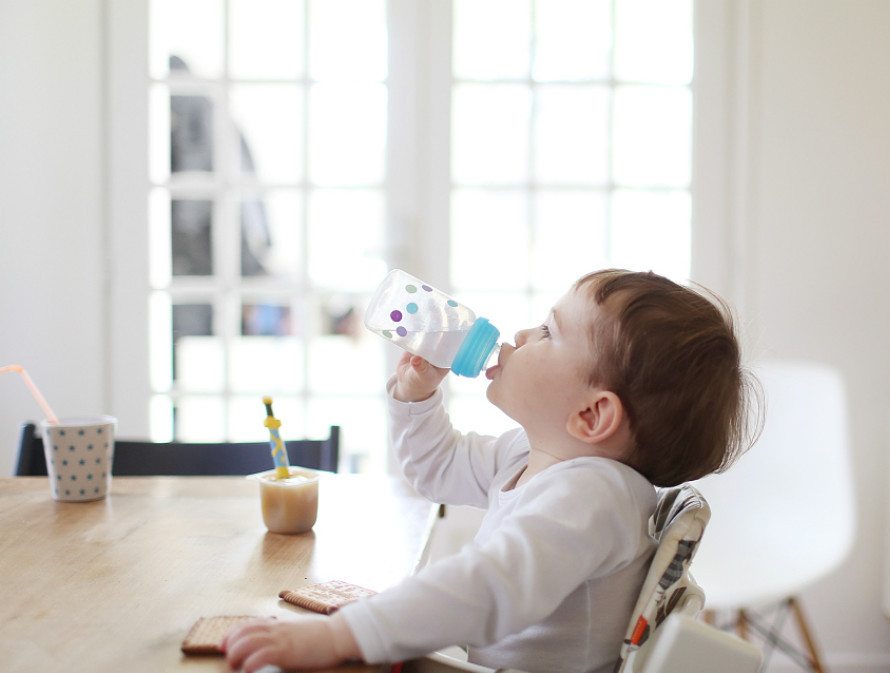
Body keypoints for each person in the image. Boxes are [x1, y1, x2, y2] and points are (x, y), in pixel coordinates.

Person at [224, 269, 759, 673]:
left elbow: (487, 587)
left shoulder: (595, 496)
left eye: (549, 332)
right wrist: (417, 400)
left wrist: (342, 636)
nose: (522, 335)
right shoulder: (532, 456)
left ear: (592, 415)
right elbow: (438, 467)